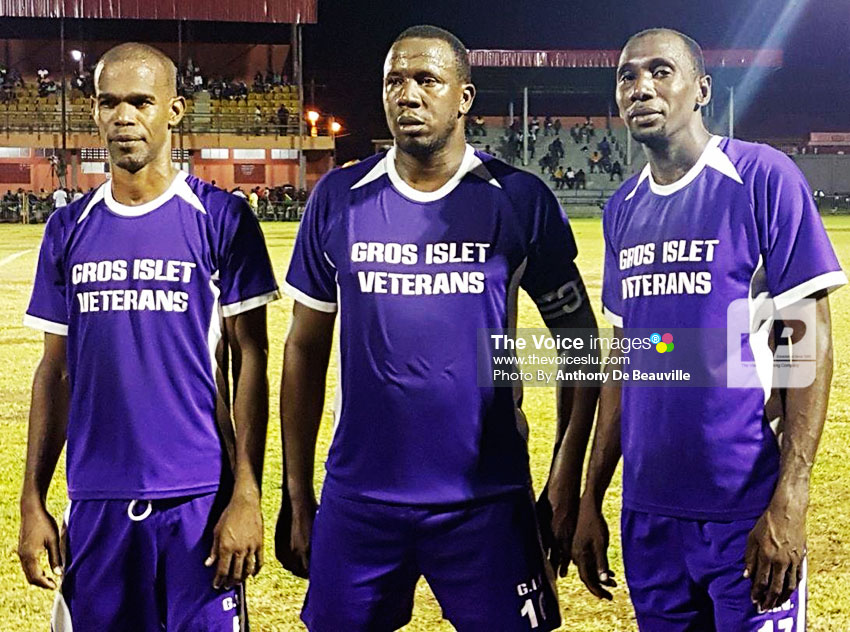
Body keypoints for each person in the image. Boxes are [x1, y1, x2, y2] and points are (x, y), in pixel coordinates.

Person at [275, 25, 599, 631]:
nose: (408, 94)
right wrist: (297, 493)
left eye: (427, 80)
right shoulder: (340, 197)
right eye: (395, 81)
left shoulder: (518, 198)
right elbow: (303, 349)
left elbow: (580, 344)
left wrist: (564, 476)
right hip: (360, 497)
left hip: (488, 500)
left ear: (464, 98)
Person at [571, 28, 845, 631]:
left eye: (660, 71)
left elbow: (809, 344)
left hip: (745, 509)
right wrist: (593, 495)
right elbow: (625, 362)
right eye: (626, 75)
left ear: (702, 89)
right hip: (649, 517)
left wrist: (792, 495)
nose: (641, 86)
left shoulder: (764, 178)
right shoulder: (622, 210)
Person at [18, 42, 279, 630]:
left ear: (176, 110)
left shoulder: (223, 220)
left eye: (140, 101)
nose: (124, 117)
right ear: (94, 112)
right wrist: (32, 500)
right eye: (109, 102)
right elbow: (54, 372)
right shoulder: (68, 228)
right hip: (97, 500)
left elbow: (251, 364)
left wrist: (247, 492)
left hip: (198, 499)